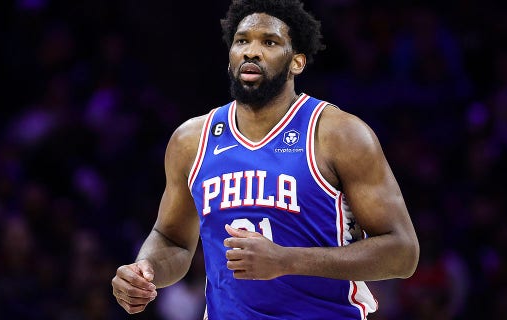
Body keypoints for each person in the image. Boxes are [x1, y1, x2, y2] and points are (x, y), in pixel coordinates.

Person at [111, 0, 419, 318]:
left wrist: (287, 260)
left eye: (269, 42)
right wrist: (144, 269)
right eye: (242, 40)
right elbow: (171, 239)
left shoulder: (340, 135)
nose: (251, 52)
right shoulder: (191, 141)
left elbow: (403, 253)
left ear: (297, 62)